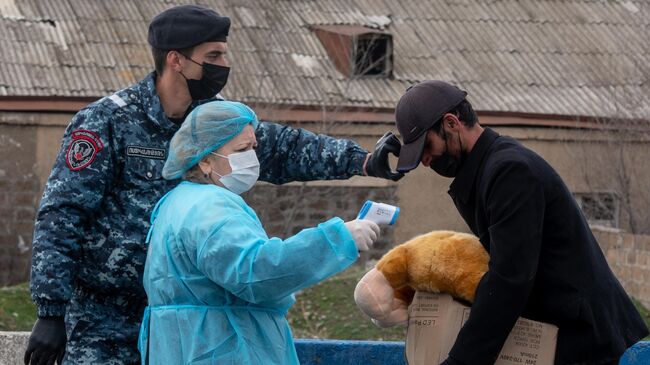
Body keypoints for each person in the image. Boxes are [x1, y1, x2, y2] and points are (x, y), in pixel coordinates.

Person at [24, 5, 402, 365]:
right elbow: (62, 215)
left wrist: (363, 160)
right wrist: (51, 310)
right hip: (103, 319)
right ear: (176, 59)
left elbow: (285, 147)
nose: (225, 65)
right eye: (215, 55)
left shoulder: (214, 120)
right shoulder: (107, 122)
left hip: (182, 320)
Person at [393, 80, 649, 365]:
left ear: (452, 123)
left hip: (580, 336)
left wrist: (460, 361)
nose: (426, 161)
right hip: (558, 330)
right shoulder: (489, 168)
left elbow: (509, 278)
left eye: (427, 146)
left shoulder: (509, 172)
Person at [138, 100, 380, 364]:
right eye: (242, 149)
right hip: (223, 347)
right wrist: (336, 240)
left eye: (253, 148)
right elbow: (256, 272)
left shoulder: (177, 202)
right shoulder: (211, 206)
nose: (251, 158)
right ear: (205, 160)